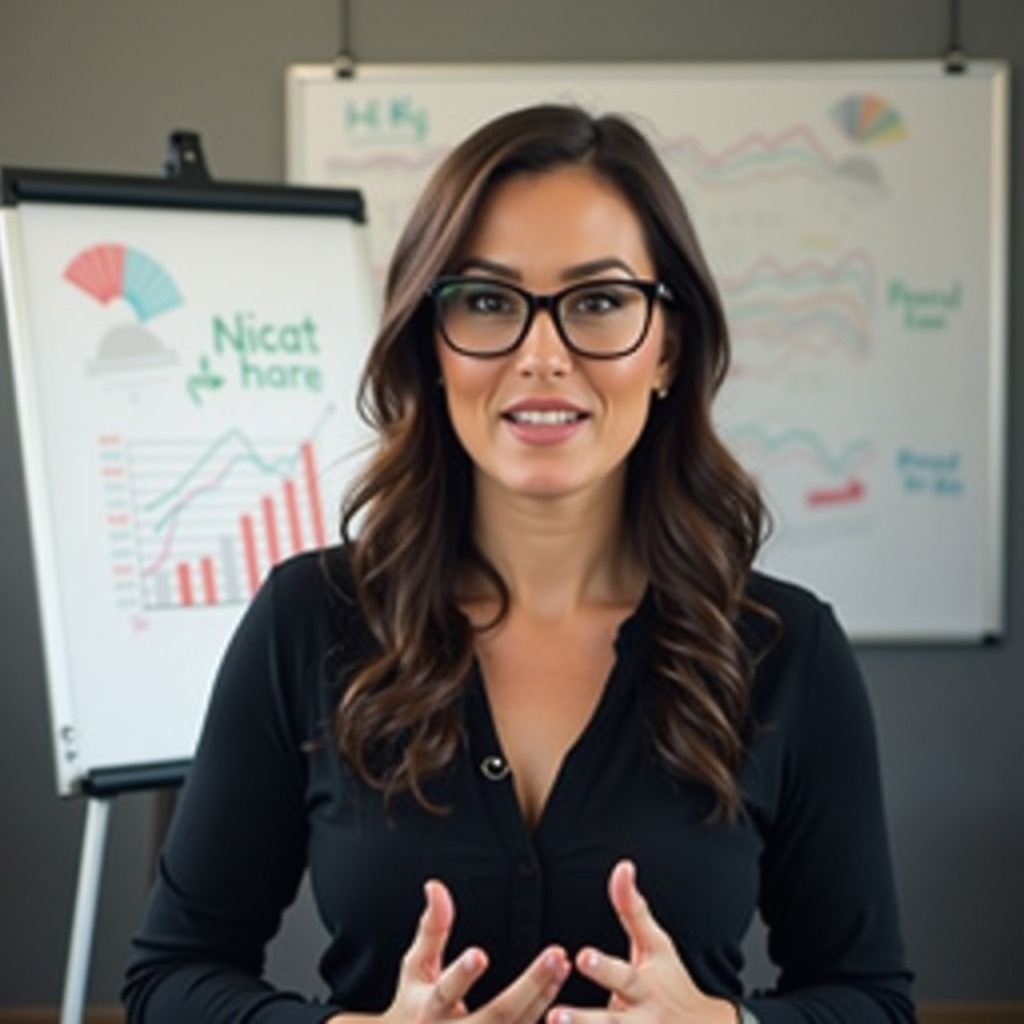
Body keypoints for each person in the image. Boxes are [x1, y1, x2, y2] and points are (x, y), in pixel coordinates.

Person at [123, 104, 915, 1024]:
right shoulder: (310, 619)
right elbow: (169, 979)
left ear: (668, 346)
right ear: (431, 341)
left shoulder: (786, 648)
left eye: (599, 302)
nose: (543, 357)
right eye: (489, 301)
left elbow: (872, 1001)